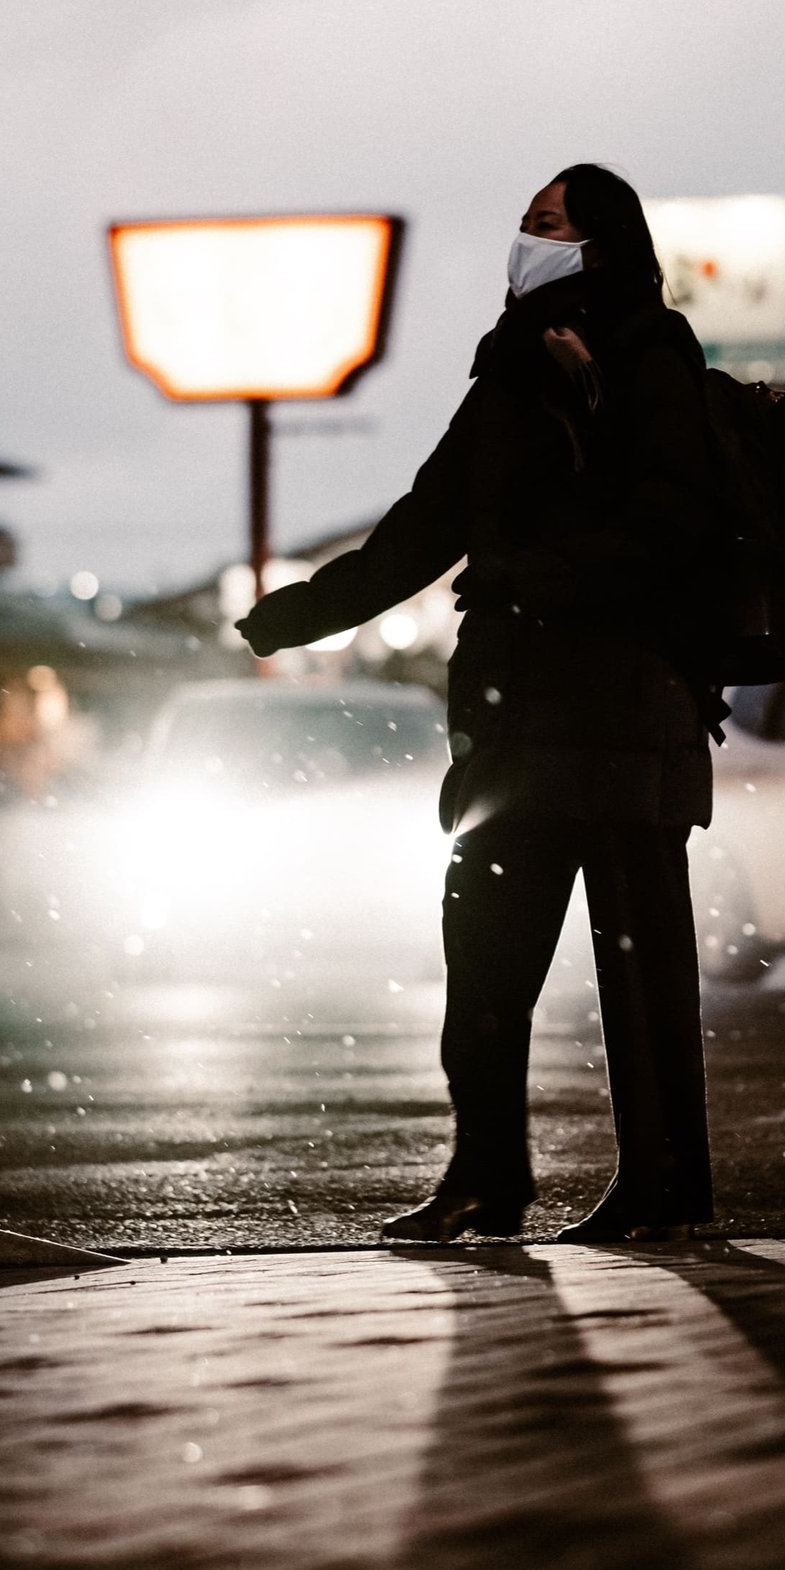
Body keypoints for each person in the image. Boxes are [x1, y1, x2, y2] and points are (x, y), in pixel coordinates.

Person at [237, 163, 722, 1243]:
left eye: (550, 224)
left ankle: (666, 1188)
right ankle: (485, 1180)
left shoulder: (653, 350)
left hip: (628, 715)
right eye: (525, 223)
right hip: (518, 725)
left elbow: (672, 526)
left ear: (604, 241)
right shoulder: (508, 372)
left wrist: (533, 576)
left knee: (641, 974)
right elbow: (422, 525)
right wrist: (290, 616)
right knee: (485, 964)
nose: (528, 238)